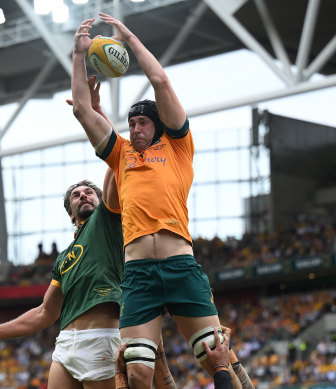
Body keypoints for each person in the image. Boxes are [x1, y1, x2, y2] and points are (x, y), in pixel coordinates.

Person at [71, 13, 228, 389]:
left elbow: (160, 80)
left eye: (141, 123)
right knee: (139, 371)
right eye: (130, 124)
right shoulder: (120, 154)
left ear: (157, 125)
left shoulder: (178, 147)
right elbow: (80, 108)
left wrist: (127, 36)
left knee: (217, 355)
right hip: (138, 276)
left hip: (180, 265)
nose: (134, 129)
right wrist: (79, 56)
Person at [0, 172, 125, 389]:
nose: (83, 195)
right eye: (76, 195)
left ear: (102, 201)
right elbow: (45, 312)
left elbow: (116, 165)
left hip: (100, 339)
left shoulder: (107, 221)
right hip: (65, 345)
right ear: (71, 215)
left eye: (89, 192)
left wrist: (118, 148)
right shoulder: (63, 258)